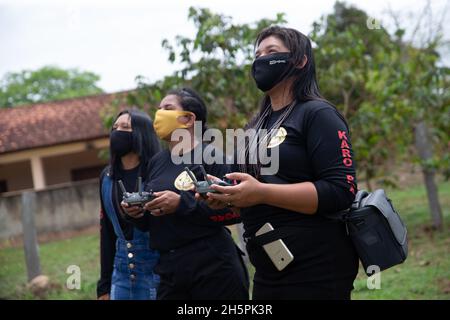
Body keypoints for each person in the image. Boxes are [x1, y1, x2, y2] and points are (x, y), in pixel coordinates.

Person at [203, 26, 359, 300]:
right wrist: (228, 196)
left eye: (271, 52)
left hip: (317, 268)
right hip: (268, 268)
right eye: (257, 54)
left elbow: (341, 191)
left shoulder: (318, 114)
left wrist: (261, 192)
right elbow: (252, 191)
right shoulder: (255, 126)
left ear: (300, 61)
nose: (260, 59)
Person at [122, 88, 249, 300]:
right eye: (159, 109)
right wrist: (137, 213)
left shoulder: (212, 156)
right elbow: (151, 222)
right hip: (170, 269)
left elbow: (235, 211)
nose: (159, 114)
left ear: (189, 119)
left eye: (168, 108)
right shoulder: (156, 162)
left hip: (213, 267)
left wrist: (181, 203)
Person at [97, 110, 161, 300]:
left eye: (125, 127)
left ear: (142, 134)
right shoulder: (107, 178)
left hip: (156, 273)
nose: (117, 132)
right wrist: (104, 285)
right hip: (121, 276)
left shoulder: (157, 172)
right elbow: (107, 232)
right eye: (114, 128)